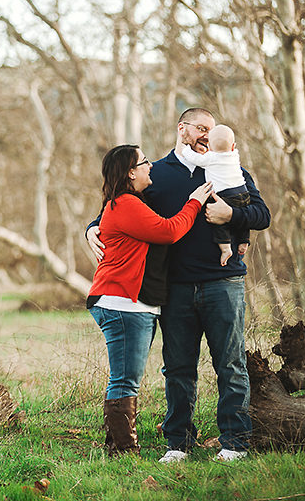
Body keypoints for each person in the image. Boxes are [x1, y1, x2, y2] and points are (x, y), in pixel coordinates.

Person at [86, 108, 271, 463]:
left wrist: (231, 215)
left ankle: (234, 443)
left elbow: (261, 215)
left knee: (230, 365)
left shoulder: (228, 166)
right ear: (182, 128)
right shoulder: (155, 174)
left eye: (212, 130)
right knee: (178, 368)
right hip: (176, 289)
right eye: (201, 128)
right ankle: (178, 444)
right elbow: (117, 209)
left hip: (223, 282)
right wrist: (91, 229)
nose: (207, 135)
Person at [87, 145, 213, 457]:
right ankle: (124, 451)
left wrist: (91, 228)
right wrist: (195, 202)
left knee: (125, 378)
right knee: (126, 381)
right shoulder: (127, 204)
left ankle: (117, 446)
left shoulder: (127, 203)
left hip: (130, 302)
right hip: (123, 302)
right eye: (144, 163)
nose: (150, 167)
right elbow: (169, 231)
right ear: (130, 172)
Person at [179, 124, 251, 266]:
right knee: (243, 218)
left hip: (225, 195)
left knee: (219, 221)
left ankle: (225, 248)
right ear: (233, 146)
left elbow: (195, 159)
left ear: (210, 147)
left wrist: (185, 149)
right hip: (243, 191)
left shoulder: (211, 157)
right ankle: (244, 241)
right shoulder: (234, 155)